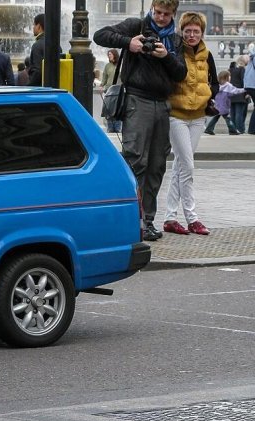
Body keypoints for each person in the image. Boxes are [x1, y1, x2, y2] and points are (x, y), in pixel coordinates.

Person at [93, 0, 187, 241]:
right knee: (135, 161)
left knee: (157, 165)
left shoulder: (175, 40)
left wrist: (165, 56)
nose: (161, 17)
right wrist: (130, 43)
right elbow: (99, 35)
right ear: (152, 9)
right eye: (158, 12)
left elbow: (181, 73)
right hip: (138, 100)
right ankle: (129, 220)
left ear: (174, 14)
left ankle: (147, 221)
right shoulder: (136, 26)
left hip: (162, 104)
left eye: (166, 14)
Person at [164, 11, 217, 238]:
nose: (192, 35)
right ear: (181, 31)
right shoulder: (175, 51)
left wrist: (209, 95)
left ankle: (170, 218)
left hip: (198, 116)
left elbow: (214, 81)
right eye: (188, 31)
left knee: (180, 166)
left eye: (196, 31)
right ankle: (192, 218)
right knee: (187, 166)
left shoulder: (207, 55)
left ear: (202, 33)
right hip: (177, 115)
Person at [205, 70, 245, 135]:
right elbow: (236, 91)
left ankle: (208, 129)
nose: (230, 77)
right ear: (226, 77)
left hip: (217, 106)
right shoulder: (228, 85)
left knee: (215, 118)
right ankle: (232, 131)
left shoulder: (217, 85)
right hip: (224, 106)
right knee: (228, 119)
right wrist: (244, 89)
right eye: (229, 76)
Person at [101, 48, 122, 133]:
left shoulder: (120, 65)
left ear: (115, 55)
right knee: (109, 110)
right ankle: (110, 128)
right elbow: (104, 77)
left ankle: (117, 128)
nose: (109, 56)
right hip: (108, 90)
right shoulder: (107, 66)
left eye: (110, 54)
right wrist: (102, 85)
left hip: (118, 90)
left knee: (117, 109)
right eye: (108, 55)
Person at [230, 55, 249, 133]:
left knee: (232, 113)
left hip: (231, 94)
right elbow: (244, 82)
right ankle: (240, 129)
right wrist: (247, 92)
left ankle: (233, 130)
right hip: (240, 94)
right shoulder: (242, 69)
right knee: (239, 113)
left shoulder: (231, 69)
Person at [243, 52, 255, 134]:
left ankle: (252, 129)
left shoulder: (251, 58)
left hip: (249, 85)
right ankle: (252, 129)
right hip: (253, 85)